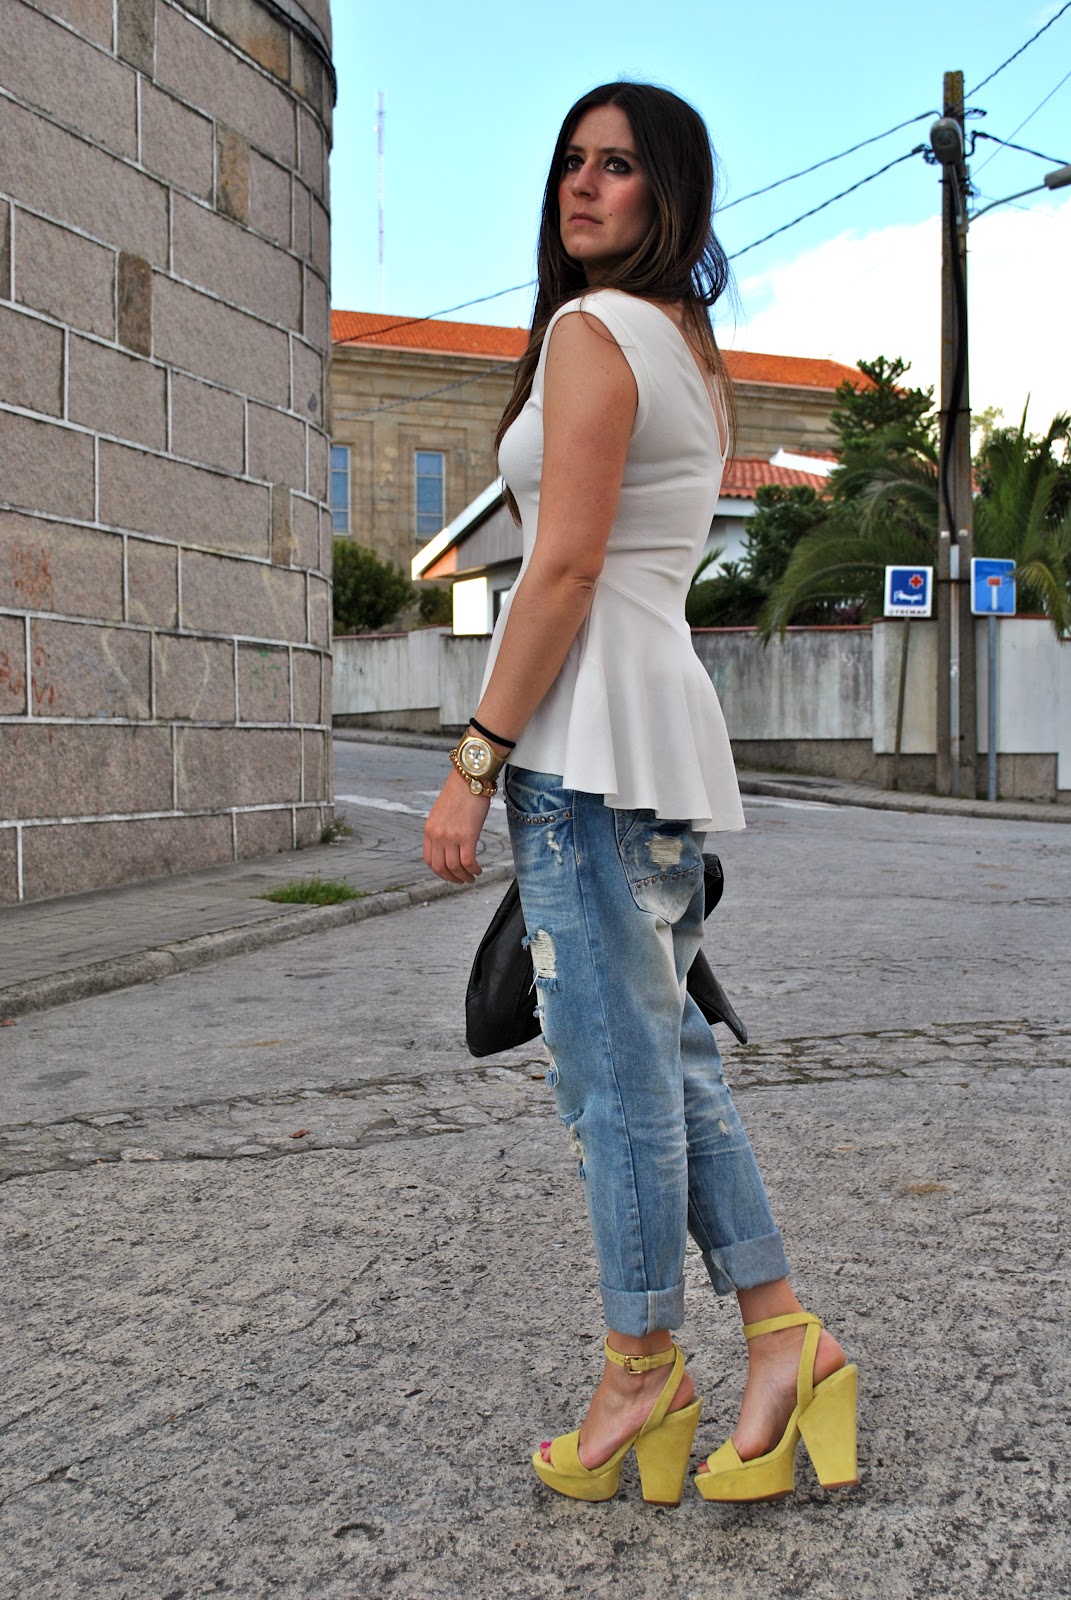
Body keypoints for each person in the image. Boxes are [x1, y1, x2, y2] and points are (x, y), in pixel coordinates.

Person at [423, 81, 858, 1507]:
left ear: (670, 191)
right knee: (666, 1058)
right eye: (571, 162)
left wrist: (473, 764)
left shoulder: (592, 331)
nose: (582, 184)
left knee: (615, 1078)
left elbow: (560, 570)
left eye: (617, 166)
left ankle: (640, 1367)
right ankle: (785, 1337)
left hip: (584, 747)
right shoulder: (685, 343)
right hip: (651, 736)